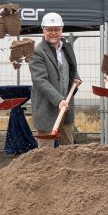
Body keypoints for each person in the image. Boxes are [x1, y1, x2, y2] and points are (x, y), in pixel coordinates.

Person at [29, 12, 82, 148]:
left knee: (68, 149)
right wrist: (59, 100)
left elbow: (71, 67)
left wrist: (76, 77)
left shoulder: (66, 47)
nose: (53, 33)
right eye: (49, 30)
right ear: (43, 30)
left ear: (62, 29)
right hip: (47, 109)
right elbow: (40, 81)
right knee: (45, 153)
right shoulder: (37, 52)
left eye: (57, 29)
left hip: (66, 106)